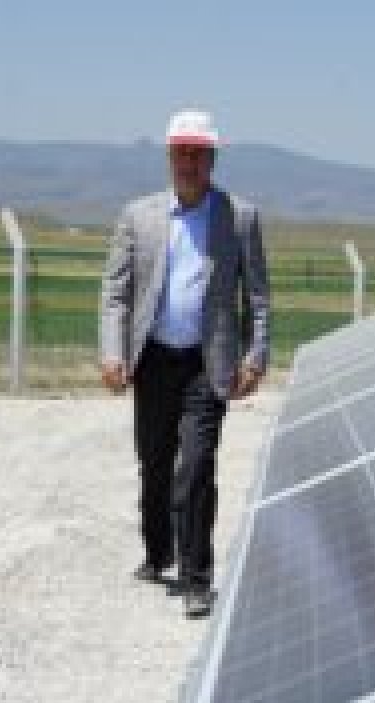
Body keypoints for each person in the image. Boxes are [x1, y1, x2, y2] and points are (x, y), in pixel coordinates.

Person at [99, 109, 270, 619]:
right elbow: (116, 291)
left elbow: (257, 295)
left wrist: (256, 354)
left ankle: (197, 578)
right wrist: (113, 352)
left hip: (206, 363)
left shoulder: (239, 218)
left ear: (212, 158)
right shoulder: (139, 216)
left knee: (196, 466)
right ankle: (158, 552)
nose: (189, 163)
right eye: (181, 153)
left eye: (198, 154)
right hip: (152, 358)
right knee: (155, 463)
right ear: (169, 156)